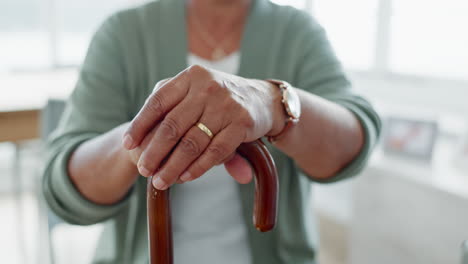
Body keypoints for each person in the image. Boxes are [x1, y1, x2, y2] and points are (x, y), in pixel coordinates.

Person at [42, 0, 381, 263]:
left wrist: (275, 103)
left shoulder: (298, 31)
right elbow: (62, 188)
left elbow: (354, 144)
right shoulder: (123, 32)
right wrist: (138, 140)